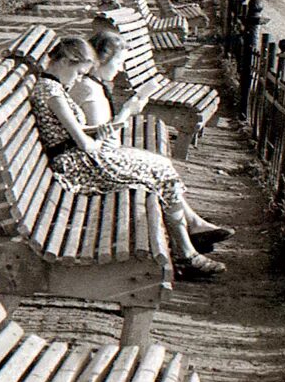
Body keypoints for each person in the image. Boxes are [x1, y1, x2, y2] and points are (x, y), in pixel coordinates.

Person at [31, 37, 230, 278]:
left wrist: (98, 131)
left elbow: (75, 133)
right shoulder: (53, 92)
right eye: (78, 72)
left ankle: (188, 244)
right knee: (159, 170)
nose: (77, 79)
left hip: (79, 158)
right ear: (65, 61)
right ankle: (187, 253)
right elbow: (83, 144)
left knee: (158, 166)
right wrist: (99, 140)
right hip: (79, 164)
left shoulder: (51, 87)